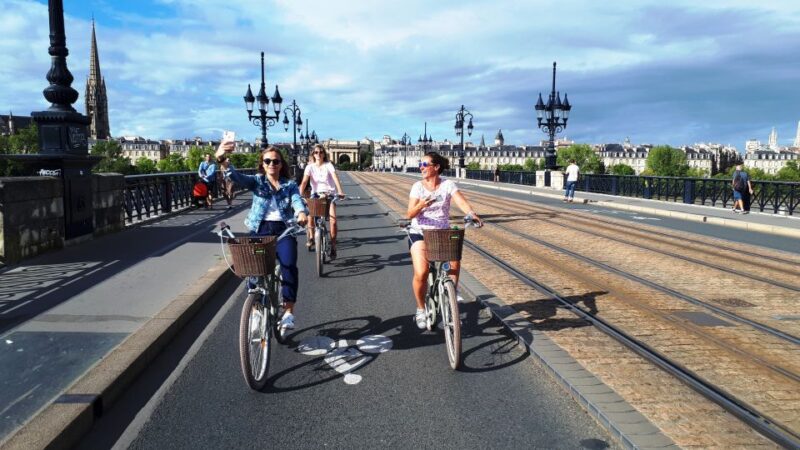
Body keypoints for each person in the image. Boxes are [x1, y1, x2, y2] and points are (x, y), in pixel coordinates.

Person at [215, 142, 308, 330]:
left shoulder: (289, 185)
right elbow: (235, 176)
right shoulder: (257, 181)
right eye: (268, 161)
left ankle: (289, 312)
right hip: (261, 230)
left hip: (284, 229)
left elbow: (297, 200)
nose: (272, 164)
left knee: (289, 265)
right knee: (254, 269)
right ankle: (256, 308)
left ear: (281, 164)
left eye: (276, 161)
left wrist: (301, 212)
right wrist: (222, 158)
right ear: (262, 164)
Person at [406, 152, 483, 329]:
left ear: (436, 167)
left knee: (455, 256)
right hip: (419, 232)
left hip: (441, 232)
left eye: (425, 164)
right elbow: (409, 214)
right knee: (422, 273)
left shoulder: (447, 185)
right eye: (421, 164)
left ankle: (451, 295)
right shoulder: (417, 187)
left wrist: (471, 213)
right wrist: (421, 205)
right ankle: (420, 309)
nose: (421, 167)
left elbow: (461, 202)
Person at [299, 144, 346, 260]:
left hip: (329, 195)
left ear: (324, 154)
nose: (318, 154)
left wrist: (340, 191)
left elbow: (335, 178)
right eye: (316, 152)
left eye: (321, 152)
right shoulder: (309, 167)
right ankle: (311, 237)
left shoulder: (328, 165)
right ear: (313, 154)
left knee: (333, 221)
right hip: (315, 194)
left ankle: (333, 246)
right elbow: (304, 181)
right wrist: (298, 194)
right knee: (310, 217)